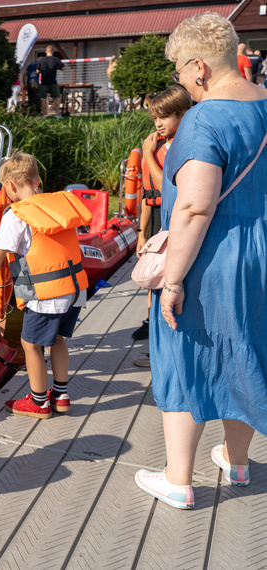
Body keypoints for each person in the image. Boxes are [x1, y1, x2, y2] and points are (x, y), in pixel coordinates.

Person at [133, 12, 267, 510]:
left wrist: (171, 280)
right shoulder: (266, 105)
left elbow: (194, 207)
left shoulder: (205, 118)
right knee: (246, 349)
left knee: (185, 354)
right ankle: (236, 462)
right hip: (260, 252)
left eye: (180, 73)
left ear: (199, 67)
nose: (181, 82)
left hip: (214, 258)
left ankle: (179, 480)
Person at [0, 151, 91, 419]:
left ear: (11, 186)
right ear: (37, 179)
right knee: (58, 339)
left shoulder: (16, 215)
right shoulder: (58, 203)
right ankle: (60, 395)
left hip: (47, 293)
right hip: (75, 289)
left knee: (30, 344)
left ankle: (38, 402)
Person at [130, 85, 192, 353]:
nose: (158, 124)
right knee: (153, 274)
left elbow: (166, 185)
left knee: (171, 277)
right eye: (155, 118)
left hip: (175, 217)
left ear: (182, 114)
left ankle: (169, 338)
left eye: (164, 118)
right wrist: (142, 232)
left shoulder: (184, 145)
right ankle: (153, 327)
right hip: (155, 216)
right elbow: (148, 193)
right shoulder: (157, 145)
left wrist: (146, 154)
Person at [38, 45, 64, 118]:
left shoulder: (42, 60)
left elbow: (37, 70)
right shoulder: (56, 59)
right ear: (53, 51)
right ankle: (57, 113)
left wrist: (41, 71)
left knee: (43, 97)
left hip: (43, 82)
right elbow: (63, 67)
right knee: (58, 96)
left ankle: (44, 114)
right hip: (53, 82)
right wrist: (58, 68)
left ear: (46, 51)